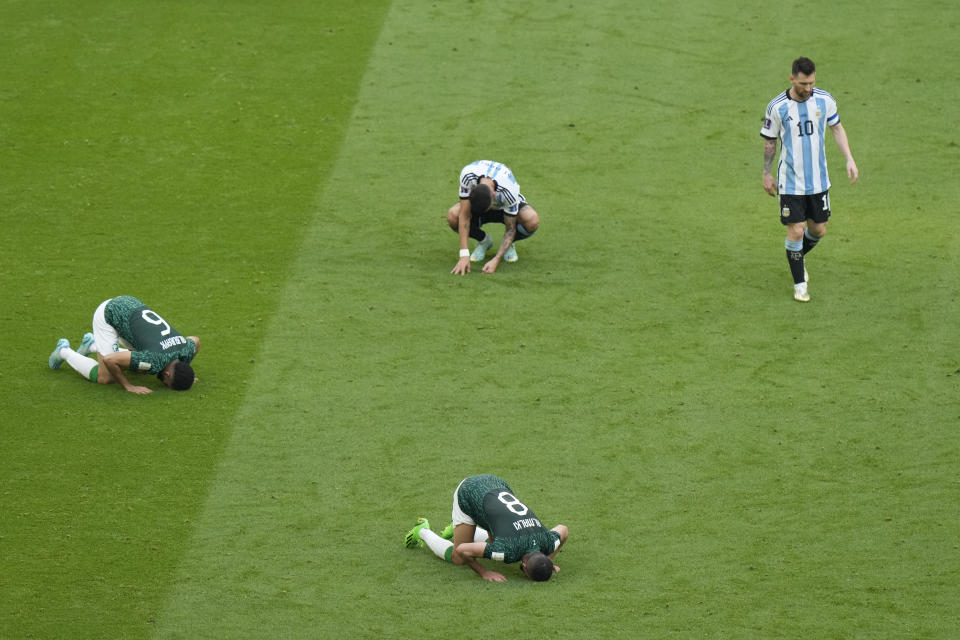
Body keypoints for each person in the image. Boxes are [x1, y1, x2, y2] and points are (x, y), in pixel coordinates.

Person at [761, 57, 859, 302]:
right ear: (792, 78)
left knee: (819, 230)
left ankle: (797, 256)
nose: (807, 88)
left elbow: (836, 128)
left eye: (811, 82)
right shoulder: (777, 107)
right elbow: (770, 142)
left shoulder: (824, 100)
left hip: (818, 181)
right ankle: (799, 284)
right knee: (796, 231)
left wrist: (849, 158)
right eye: (803, 83)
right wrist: (766, 173)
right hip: (790, 181)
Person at [404, 473, 569, 582]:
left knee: (493, 538)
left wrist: (547, 562)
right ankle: (422, 531)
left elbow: (563, 529)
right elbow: (463, 549)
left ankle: (461, 529)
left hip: (496, 483)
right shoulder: (508, 551)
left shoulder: (547, 540)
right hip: (469, 492)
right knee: (458, 558)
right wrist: (484, 572)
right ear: (524, 566)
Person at [48, 295, 199, 394]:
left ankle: (92, 345)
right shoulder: (154, 360)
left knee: (139, 368)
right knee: (105, 377)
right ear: (167, 374)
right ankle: (63, 351)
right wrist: (128, 386)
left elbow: (196, 340)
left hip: (130, 304)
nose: (164, 383)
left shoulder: (186, 349)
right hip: (109, 315)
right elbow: (110, 360)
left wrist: (184, 371)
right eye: (167, 383)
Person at [447, 160, 541, 275]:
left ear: (494, 195)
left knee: (532, 220)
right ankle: (484, 240)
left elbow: (510, 230)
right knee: (453, 216)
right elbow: (464, 215)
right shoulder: (467, 176)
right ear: (472, 192)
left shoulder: (508, 191)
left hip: (505, 208)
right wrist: (464, 255)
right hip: (480, 202)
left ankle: (509, 244)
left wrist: (496, 260)